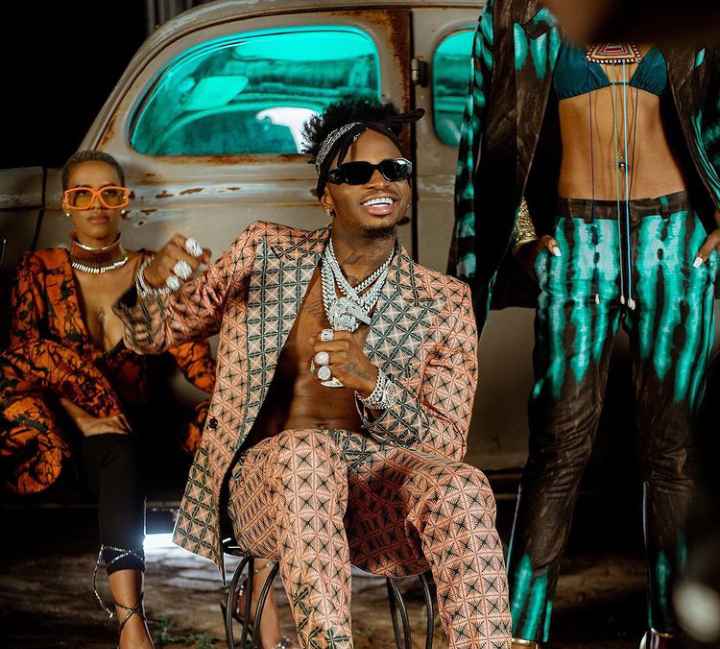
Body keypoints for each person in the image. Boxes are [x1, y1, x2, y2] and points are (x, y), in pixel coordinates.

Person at [113, 98, 513, 649]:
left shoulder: (443, 301)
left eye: (393, 169)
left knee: (464, 486)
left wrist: (375, 384)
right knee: (309, 453)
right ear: (326, 195)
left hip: (374, 504)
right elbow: (154, 335)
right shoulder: (264, 252)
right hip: (266, 489)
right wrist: (151, 287)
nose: (380, 182)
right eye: (356, 173)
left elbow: (445, 445)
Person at [450, 1, 720, 648]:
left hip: (675, 241)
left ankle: (671, 631)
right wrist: (521, 233)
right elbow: (488, 129)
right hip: (578, 241)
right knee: (557, 449)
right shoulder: (516, 10)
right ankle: (515, 634)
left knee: (675, 455)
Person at [0, 150, 215, 649]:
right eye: (82, 195)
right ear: (66, 204)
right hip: (68, 435)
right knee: (116, 451)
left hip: (142, 425)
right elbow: (24, 360)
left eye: (109, 194)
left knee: (211, 432)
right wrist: (85, 418)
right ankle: (130, 623)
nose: (96, 205)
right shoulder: (39, 270)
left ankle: (254, 595)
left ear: (125, 202)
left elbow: (192, 356)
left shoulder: (151, 270)